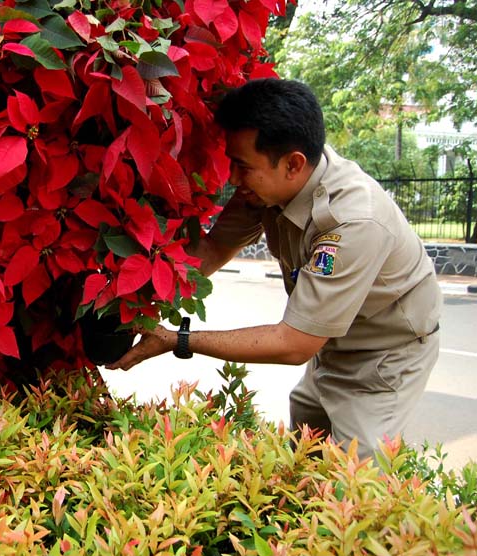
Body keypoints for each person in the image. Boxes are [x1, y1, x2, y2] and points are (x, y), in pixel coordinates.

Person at [106, 78, 442, 461]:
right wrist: (133, 294)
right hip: (331, 341)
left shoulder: (353, 221)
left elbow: (294, 343)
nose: (232, 179)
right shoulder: (270, 185)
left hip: (384, 356)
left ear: (293, 164)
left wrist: (177, 339)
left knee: (355, 482)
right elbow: (214, 249)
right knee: (306, 452)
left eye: (242, 167)